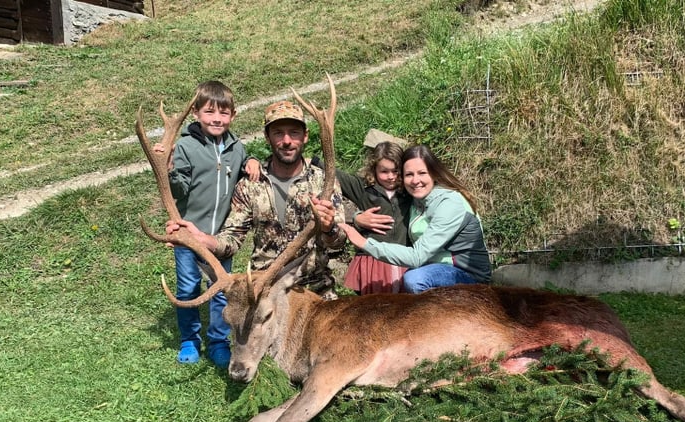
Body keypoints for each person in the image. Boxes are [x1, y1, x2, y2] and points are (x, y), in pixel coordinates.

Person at [169, 99, 347, 301]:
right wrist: (202, 239)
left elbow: (339, 242)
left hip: (315, 291)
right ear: (267, 137)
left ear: (305, 136)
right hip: (265, 291)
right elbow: (231, 241)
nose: (286, 140)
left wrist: (329, 227)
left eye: (294, 132)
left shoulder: (324, 181)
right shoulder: (250, 185)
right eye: (278, 133)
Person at [160, 80, 261, 368]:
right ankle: (189, 340)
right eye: (209, 112)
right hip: (188, 235)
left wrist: (252, 159)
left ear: (233, 115)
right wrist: (168, 171)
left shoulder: (236, 147)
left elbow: (244, 164)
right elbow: (179, 189)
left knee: (220, 291)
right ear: (195, 113)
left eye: (224, 113)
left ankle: (218, 341)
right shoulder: (186, 147)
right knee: (188, 288)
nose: (217, 118)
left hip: (219, 237)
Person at [340, 145, 491, 293]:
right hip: (432, 267)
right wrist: (357, 217)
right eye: (409, 174)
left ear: (434, 173)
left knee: (415, 279)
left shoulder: (450, 203)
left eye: (422, 173)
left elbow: (418, 256)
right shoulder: (416, 200)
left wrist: (364, 243)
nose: (415, 180)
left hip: (464, 273)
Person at [337, 141, 412, 294]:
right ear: (374, 170)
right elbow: (332, 172)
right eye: (384, 171)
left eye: (396, 171)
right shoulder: (363, 189)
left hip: (402, 259)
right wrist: (356, 218)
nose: (391, 177)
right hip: (371, 261)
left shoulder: (410, 191)